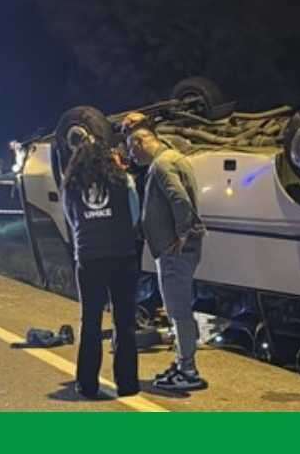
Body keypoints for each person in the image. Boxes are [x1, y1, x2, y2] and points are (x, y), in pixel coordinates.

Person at [62, 128, 141, 399]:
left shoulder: (71, 185)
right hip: (122, 255)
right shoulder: (123, 180)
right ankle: (128, 384)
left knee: (91, 321)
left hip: (89, 258)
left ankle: (87, 384)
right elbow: (134, 214)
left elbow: (71, 219)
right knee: (125, 321)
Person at [128, 126, 208, 391]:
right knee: (180, 307)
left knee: (177, 310)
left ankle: (187, 370)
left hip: (174, 252)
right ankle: (182, 363)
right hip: (179, 250)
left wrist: (184, 233)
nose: (131, 156)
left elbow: (179, 198)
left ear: (140, 142)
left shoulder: (161, 165)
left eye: (131, 148)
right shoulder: (176, 158)